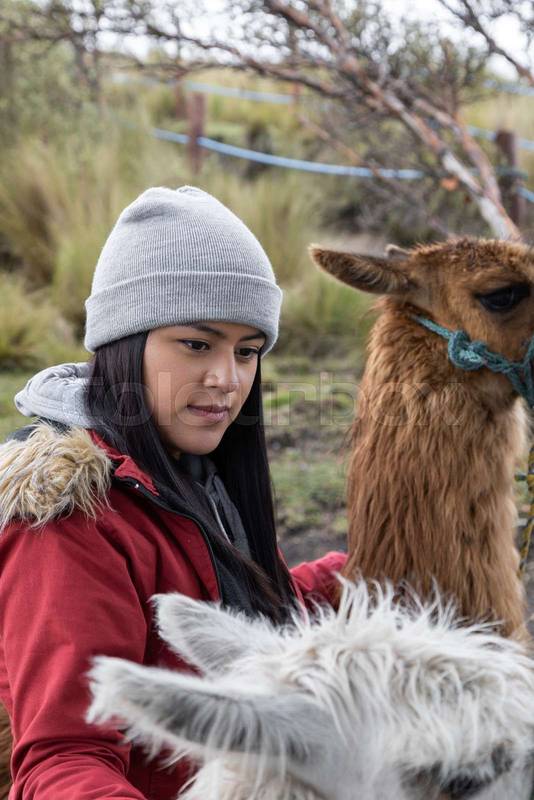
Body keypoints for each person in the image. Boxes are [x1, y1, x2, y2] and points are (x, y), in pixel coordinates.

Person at [0, 185, 347, 800]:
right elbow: (64, 759)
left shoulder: (190, 473)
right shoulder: (70, 520)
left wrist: (367, 568)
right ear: (125, 343)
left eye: (247, 351)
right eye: (196, 344)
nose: (227, 379)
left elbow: (245, 603)